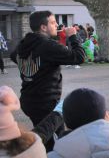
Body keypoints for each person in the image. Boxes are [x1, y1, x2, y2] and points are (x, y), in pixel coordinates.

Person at [10, 11, 85, 150]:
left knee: (48, 135)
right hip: (45, 102)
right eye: (52, 22)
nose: (56, 24)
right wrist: (73, 36)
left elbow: (14, 55)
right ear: (43, 27)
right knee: (54, 142)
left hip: (28, 100)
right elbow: (79, 57)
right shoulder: (48, 46)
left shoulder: (24, 44)